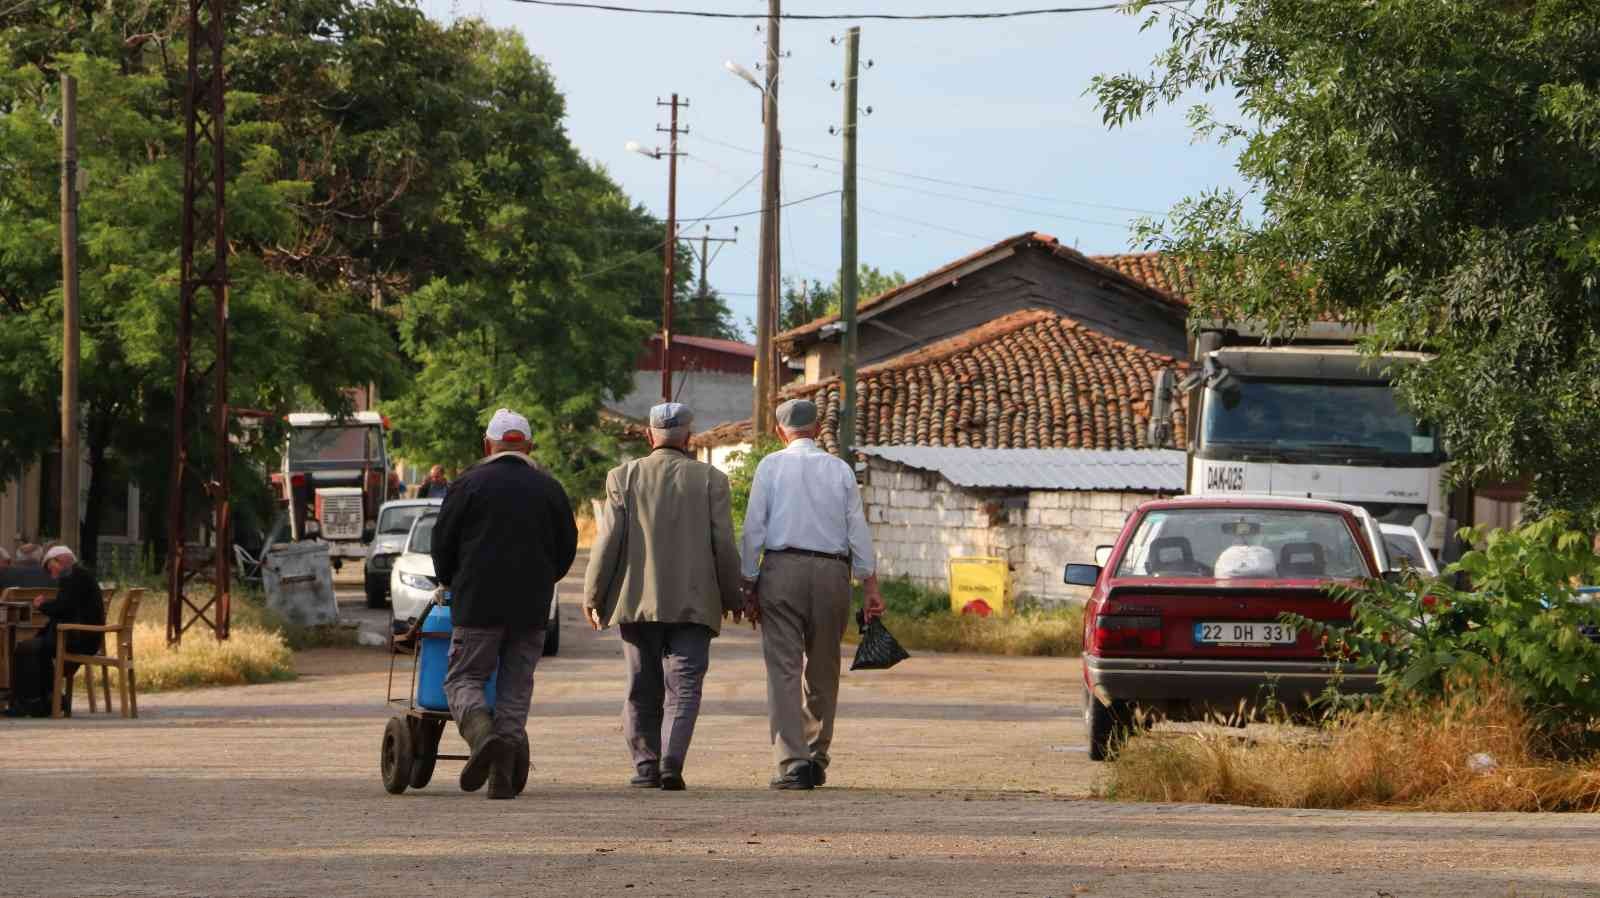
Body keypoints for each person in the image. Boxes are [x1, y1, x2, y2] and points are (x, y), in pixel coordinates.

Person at [581, 403, 744, 792]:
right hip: (695, 603)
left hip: (637, 601)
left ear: (649, 435)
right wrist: (732, 592)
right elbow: (723, 542)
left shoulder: (623, 476)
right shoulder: (711, 480)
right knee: (684, 686)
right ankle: (672, 762)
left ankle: (645, 766)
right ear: (689, 437)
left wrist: (594, 594)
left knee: (641, 684)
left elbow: (608, 542)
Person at [430, 408, 577, 799]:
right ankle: (502, 777)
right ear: (528, 446)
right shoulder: (550, 488)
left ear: (487, 446)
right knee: (515, 686)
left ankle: (481, 736)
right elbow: (566, 550)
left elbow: (442, 543)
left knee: (463, 678)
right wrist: (543, 581)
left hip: (477, 603)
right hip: (530, 608)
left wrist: (450, 580)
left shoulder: (467, 484)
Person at [740, 398, 884, 790]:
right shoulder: (838, 470)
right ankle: (817, 757)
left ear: (778, 430)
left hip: (781, 571)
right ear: (819, 427)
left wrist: (748, 582)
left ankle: (792, 762)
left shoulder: (770, 467)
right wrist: (869, 585)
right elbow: (858, 529)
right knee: (823, 669)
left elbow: (755, 528)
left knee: (783, 671)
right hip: (832, 573)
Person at [6, 546, 105, 718]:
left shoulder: (74, 576)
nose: (52, 574)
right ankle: (46, 700)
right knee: (34, 647)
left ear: (61, 560)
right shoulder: (77, 575)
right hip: (81, 636)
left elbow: (62, 608)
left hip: (78, 638)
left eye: (50, 567)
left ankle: (31, 702)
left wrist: (41, 605)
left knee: (25, 649)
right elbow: (66, 609)